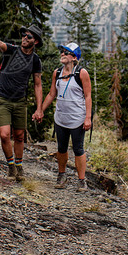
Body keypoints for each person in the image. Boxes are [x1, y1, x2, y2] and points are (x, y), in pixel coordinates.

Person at [0, 16, 44, 181]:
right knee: (5, 135)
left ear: (36, 42)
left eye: (29, 36)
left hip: (20, 101)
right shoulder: (12, 50)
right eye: (24, 34)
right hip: (2, 97)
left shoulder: (35, 60)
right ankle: (10, 166)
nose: (25, 37)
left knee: (19, 136)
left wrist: (39, 109)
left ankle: (19, 166)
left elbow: (38, 84)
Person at [40, 42, 92, 191]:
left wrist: (88, 118)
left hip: (77, 119)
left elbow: (88, 96)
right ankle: (62, 175)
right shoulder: (57, 73)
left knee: (78, 149)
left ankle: (82, 181)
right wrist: (40, 110)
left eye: (66, 52)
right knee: (61, 148)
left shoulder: (81, 73)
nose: (62, 54)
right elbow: (51, 94)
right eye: (62, 51)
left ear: (74, 57)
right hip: (61, 118)